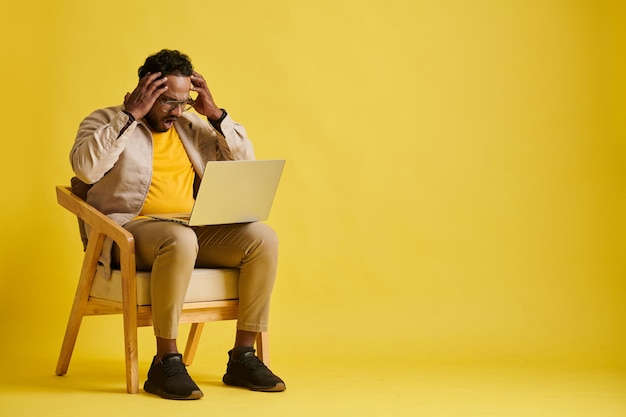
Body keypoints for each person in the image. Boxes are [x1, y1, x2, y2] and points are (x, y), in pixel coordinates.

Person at [70, 49, 285, 399]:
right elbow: (86, 169)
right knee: (180, 240)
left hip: (188, 226)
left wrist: (215, 115)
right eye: (167, 101)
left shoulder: (190, 127)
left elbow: (243, 163)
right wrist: (130, 115)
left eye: (184, 102)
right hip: (129, 229)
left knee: (262, 239)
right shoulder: (105, 120)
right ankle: (166, 360)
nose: (176, 111)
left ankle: (243, 357)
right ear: (145, 92)